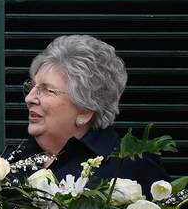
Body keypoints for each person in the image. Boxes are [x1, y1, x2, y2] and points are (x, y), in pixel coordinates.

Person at [9, 34, 169, 187]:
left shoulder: (132, 166)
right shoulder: (5, 164)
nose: (29, 99)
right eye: (32, 86)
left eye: (48, 90)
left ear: (85, 111)